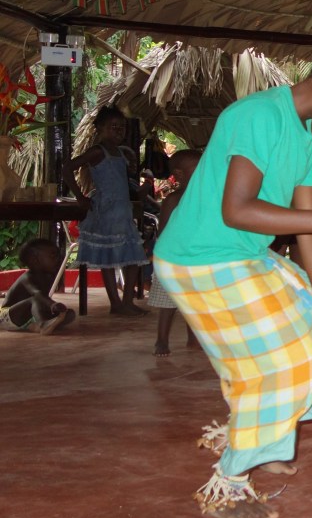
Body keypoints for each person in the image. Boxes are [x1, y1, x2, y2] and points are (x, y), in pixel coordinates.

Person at [153, 34, 312, 518]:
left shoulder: (310, 138)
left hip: (241, 257)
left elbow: (310, 231)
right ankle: (229, 483)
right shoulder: (258, 116)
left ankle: (263, 438)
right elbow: (238, 209)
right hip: (199, 259)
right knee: (283, 365)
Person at [65, 106, 149, 317]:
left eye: (122, 128)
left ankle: (126, 301)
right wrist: (80, 197)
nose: (119, 131)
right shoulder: (97, 151)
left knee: (134, 256)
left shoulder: (120, 153)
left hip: (122, 211)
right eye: (113, 127)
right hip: (106, 211)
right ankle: (116, 303)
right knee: (109, 258)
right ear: (100, 128)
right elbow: (67, 168)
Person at [147, 149, 202, 356]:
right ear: (179, 174)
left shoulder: (207, 197)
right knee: (168, 302)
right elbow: (163, 231)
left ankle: (193, 338)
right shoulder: (174, 199)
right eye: (197, 168)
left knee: (195, 301)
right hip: (173, 258)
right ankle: (161, 340)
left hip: (197, 258)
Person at [0, 239, 74, 335]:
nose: (57, 259)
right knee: (35, 299)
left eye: (57, 256)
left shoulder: (47, 277)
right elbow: (37, 294)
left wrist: (56, 310)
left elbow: (42, 300)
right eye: (52, 256)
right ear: (35, 261)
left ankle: (34, 326)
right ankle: (43, 325)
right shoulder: (27, 278)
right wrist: (52, 305)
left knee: (69, 313)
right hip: (8, 317)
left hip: (27, 317)